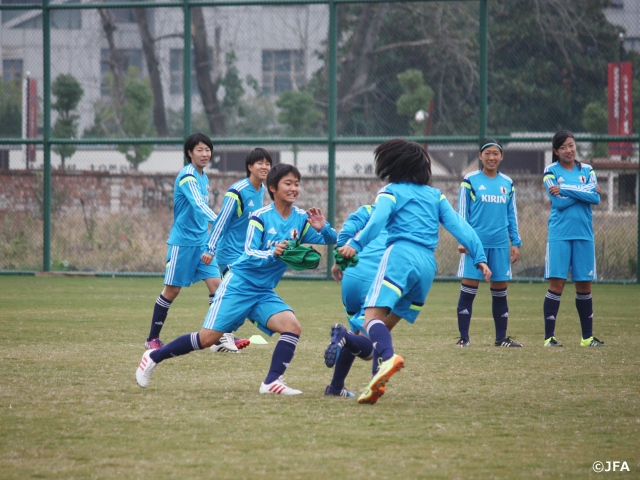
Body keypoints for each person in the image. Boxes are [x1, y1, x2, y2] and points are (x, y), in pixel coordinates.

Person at [136, 163, 338, 394]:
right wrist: (272, 252)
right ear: (273, 187)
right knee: (207, 339)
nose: (294, 188)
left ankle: (271, 382)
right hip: (239, 285)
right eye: (288, 183)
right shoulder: (260, 217)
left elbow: (332, 238)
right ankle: (153, 356)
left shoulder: (301, 219)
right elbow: (249, 252)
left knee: (292, 326)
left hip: (263, 292)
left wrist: (324, 228)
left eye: (297, 184)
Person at [338, 139, 491, 405]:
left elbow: (376, 222)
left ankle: (387, 360)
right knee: (383, 327)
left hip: (400, 256)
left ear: (391, 166)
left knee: (370, 319)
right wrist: (479, 256)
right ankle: (375, 381)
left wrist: (355, 243)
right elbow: (460, 226)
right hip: (426, 266)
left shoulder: (391, 191)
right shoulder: (435, 195)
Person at [144, 133, 241, 352]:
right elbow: (198, 205)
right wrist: (220, 221)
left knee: (217, 287)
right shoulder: (187, 176)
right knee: (172, 290)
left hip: (202, 243)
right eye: (200, 150)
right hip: (183, 243)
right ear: (190, 153)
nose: (205, 154)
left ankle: (219, 337)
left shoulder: (203, 176)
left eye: (208, 150)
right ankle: (152, 338)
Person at [203, 148, 272, 352]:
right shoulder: (238, 191)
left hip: (245, 254)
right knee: (238, 294)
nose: (264, 167)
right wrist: (210, 248)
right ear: (249, 167)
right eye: (259, 163)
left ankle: (220, 338)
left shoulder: (260, 190)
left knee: (239, 294)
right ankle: (223, 335)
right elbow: (222, 221)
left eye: (267, 163)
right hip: (230, 254)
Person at [455, 139, 523, 348]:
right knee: (468, 290)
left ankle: (501, 338)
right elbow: (461, 214)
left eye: (496, 153)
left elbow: (512, 215)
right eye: (487, 153)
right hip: (475, 245)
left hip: (501, 245)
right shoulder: (470, 181)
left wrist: (515, 242)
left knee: (500, 292)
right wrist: (463, 240)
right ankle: (464, 338)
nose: (491, 157)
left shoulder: (507, 183)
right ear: (480, 156)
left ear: (501, 156)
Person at [542, 130, 605, 347]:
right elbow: (558, 202)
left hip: (584, 234)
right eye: (563, 148)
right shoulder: (550, 171)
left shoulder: (587, 169)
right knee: (557, 284)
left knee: (584, 285)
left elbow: (596, 198)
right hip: (560, 234)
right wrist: (584, 190)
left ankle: (587, 338)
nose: (569, 150)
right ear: (555, 151)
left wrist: (567, 189)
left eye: (571, 145)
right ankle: (549, 338)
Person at [323, 204, 388, 398]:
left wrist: (339, 261)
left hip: (351, 275)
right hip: (376, 279)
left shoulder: (368, 209)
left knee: (355, 333)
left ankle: (336, 387)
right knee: (368, 348)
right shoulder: (403, 215)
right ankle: (343, 335)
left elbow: (347, 231)